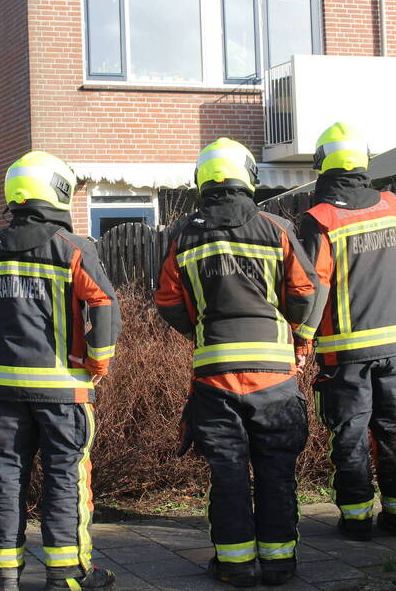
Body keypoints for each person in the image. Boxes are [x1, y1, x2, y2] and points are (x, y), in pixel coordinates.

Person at [0, 151, 121, 591]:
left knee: (6, 480)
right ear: (56, 191)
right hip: (63, 394)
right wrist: (97, 363)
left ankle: (3, 573)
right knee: (64, 482)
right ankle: (67, 576)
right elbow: (104, 304)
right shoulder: (74, 249)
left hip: (3, 393)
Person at [153, 138, 322, 587]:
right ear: (248, 176)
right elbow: (306, 292)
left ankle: (235, 567)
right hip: (275, 376)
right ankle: (280, 564)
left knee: (227, 474)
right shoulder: (276, 227)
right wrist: (290, 331)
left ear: (202, 180)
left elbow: (167, 299)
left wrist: (200, 330)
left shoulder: (183, 236)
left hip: (214, 377)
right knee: (277, 472)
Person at [298, 122, 396, 542]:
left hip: (344, 356)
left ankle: (356, 520)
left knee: (350, 435)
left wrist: (301, 341)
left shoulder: (319, 219)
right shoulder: (394, 207)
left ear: (322, 166)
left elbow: (312, 287)